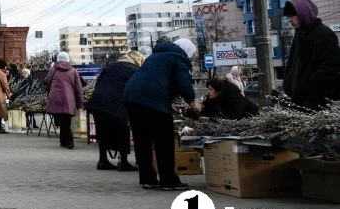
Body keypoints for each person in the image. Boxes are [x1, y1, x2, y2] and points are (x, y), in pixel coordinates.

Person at [122, 38, 197, 191]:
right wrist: (193, 102)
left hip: (132, 98)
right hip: (151, 100)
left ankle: (148, 179)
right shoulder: (178, 58)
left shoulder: (155, 57)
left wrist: (168, 104)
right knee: (164, 140)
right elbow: (184, 85)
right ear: (187, 51)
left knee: (142, 140)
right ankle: (168, 181)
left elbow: (154, 81)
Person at [85, 50, 143, 171]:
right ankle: (123, 162)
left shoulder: (110, 66)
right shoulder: (135, 70)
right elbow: (136, 89)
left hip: (97, 101)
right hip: (116, 103)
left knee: (101, 130)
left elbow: (98, 83)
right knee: (123, 130)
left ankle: (103, 161)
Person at [282, 0, 340, 110]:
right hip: (298, 98)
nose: (290, 20)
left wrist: (310, 87)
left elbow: (330, 66)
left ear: (303, 13)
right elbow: (293, 64)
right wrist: (288, 85)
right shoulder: (299, 34)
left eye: (292, 16)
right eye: (288, 17)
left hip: (315, 100)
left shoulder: (324, 34)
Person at [45, 52, 84, 149]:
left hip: (56, 98)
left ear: (58, 59)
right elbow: (78, 88)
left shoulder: (54, 69)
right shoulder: (74, 71)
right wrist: (80, 103)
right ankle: (68, 142)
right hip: (68, 99)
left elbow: (47, 81)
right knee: (66, 120)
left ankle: (65, 142)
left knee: (62, 120)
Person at [184, 76, 256, 121]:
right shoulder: (213, 99)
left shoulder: (234, 99)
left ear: (219, 91)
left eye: (211, 89)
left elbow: (234, 118)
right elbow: (206, 111)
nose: (208, 92)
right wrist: (195, 111)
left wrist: (211, 119)